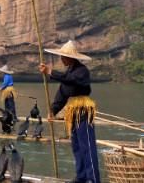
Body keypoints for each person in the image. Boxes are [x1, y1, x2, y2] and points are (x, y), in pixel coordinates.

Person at [38, 40, 100, 183]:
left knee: (87, 146)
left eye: (63, 57)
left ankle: (92, 179)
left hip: (83, 111)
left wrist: (50, 72)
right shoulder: (69, 72)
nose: (61, 59)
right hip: (72, 112)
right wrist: (53, 110)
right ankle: (81, 176)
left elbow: (71, 80)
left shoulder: (82, 71)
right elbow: (62, 93)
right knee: (77, 146)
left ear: (71, 58)